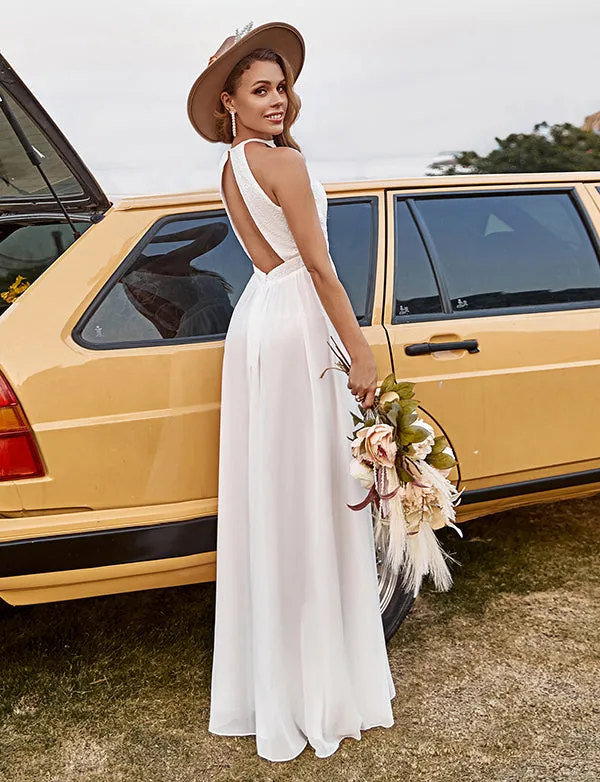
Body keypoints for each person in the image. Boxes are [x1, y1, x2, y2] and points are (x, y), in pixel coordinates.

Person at [187, 20, 395, 762]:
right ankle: (318, 685)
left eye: (283, 88)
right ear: (230, 101)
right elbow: (321, 268)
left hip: (258, 318)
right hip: (298, 319)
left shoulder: (233, 167)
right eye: (262, 90)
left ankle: (279, 680)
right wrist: (362, 353)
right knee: (310, 496)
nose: (279, 100)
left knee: (277, 497)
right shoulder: (280, 164)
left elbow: (277, 258)